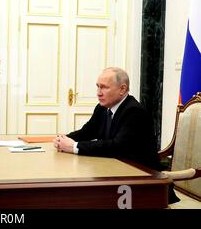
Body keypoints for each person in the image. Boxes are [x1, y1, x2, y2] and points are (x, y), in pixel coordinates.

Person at [54, 67, 180, 203]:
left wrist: (74, 146)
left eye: (104, 88)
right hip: (114, 175)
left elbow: (117, 146)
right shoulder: (102, 107)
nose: (98, 93)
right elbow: (87, 131)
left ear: (122, 89)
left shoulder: (134, 112)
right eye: (97, 87)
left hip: (144, 183)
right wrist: (64, 139)